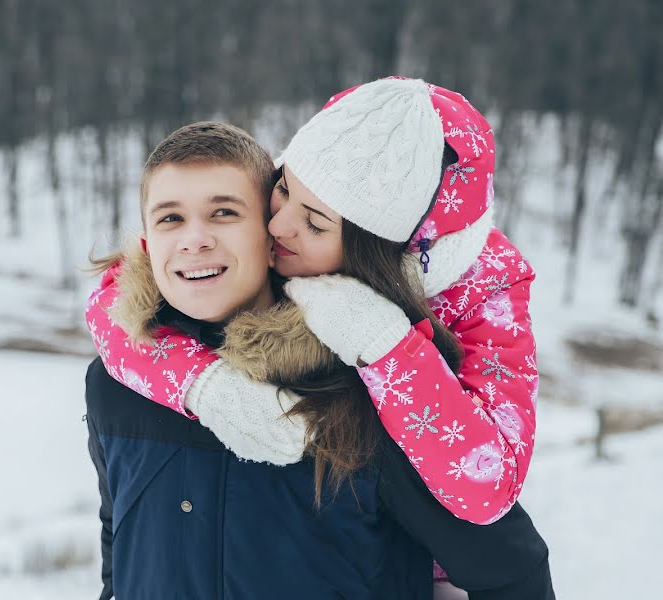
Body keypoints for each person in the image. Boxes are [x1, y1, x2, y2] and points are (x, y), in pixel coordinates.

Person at [85, 121, 553, 599]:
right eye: (170, 219)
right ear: (146, 242)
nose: (194, 239)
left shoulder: (365, 390)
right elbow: (118, 550)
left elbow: (511, 569)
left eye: (224, 212)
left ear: (272, 239)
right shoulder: (116, 384)